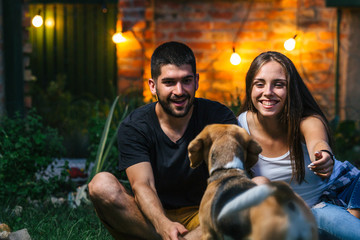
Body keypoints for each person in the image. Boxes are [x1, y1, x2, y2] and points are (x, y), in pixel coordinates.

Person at [88, 41, 238, 240]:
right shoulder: (135, 126)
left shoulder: (218, 117)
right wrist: (163, 225)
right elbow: (143, 185)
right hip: (150, 216)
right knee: (100, 185)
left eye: (186, 80)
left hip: (204, 216)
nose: (179, 91)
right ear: (153, 85)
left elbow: (228, 181)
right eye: (169, 82)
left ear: (197, 81)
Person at [237, 51, 360, 239]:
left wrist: (323, 155)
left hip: (343, 191)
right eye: (259, 84)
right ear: (250, 88)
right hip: (305, 213)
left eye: (278, 85)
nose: (267, 92)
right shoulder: (241, 127)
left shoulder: (306, 120)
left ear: (291, 89)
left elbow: (318, 141)